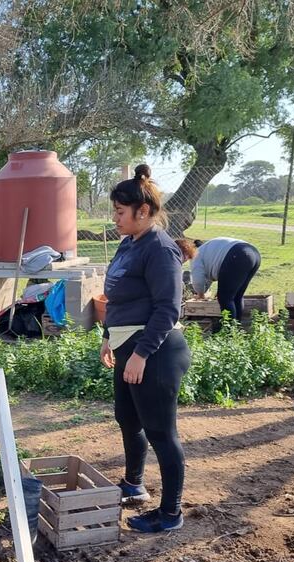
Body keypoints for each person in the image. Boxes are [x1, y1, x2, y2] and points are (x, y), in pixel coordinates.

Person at [99, 165, 192, 534]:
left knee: (161, 432)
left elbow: (168, 309)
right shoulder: (130, 243)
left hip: (155, 352)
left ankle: (170, 513)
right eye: (115, 211)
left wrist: (140, 354)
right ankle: (133, 484)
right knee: (127, 418)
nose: (115, 219)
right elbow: (119, 297)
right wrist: (108, 336)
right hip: (128, 345)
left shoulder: (161, 249)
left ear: (144, 211)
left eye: (120, 212)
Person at [187, 237, 261, 324]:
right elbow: (209, 274)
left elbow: (198, 279)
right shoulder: (208, 249)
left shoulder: (196, 254)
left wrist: (200, 294)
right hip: (254, 254)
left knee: (225, 298)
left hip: (238, 254)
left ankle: (229, 329)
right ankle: (236, 328)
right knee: (237, 296)